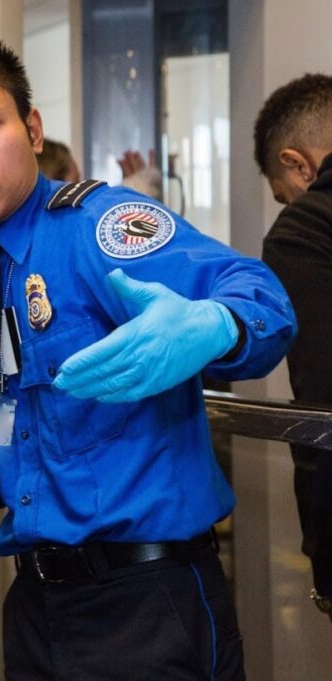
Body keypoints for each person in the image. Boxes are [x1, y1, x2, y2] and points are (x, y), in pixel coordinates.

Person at [0, 31, 296, 679]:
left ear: (32, 129)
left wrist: (216, 323)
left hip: (149, 606)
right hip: (38, 615)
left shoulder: (97, 228)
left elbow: (259, 296)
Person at [254, 72, 332, 623]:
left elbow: (323, 411)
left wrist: (327, 570)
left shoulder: (307, 226)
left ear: (298, 163)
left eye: (286, 193)